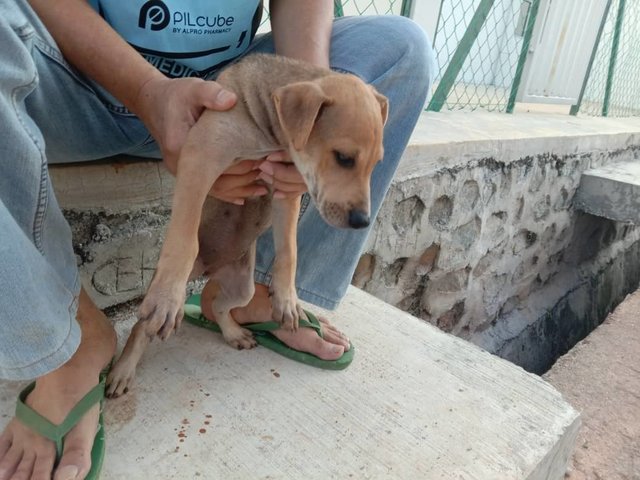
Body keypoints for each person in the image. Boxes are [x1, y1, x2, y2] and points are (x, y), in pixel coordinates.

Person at [0, 0, 434, 478]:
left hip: (237, 101)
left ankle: (263, 290)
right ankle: (70, 337)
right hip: (73, 83)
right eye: (347, 161)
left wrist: (311, 107)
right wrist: (148, 90)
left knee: (405, 48)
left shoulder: (285, 105)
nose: (361, 204)